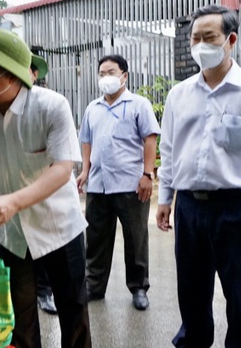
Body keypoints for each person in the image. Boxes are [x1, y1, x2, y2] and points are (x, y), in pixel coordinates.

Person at [0, 29, 92, 347]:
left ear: (10, 72)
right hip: (12, 238)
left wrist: (14, 202)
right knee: (17, 324)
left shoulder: (51, 106)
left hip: (60, 230)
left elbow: (63, 168)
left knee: (74, 318)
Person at [155, 5, 241, 348]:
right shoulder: (179, 94)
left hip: (238, 208)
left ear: (230, 40)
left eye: (209, 37)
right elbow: (169, 151)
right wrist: (165, 198)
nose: (201, 44)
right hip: (189, 207)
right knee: (192, 293)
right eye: (195, 38)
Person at [76, 54, 160, 311]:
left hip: (130, 184)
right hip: (99, 184)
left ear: (124, 75)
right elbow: (87, 140)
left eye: (110, 72)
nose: (105, 78)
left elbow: (150, 139)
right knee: (96, 238)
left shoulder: (138, 104)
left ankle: (138, 287)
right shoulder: (93, 107)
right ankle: (94, 285)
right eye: (101, 73)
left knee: (136, 238)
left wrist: (147, 175)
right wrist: (85, 170)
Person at [30, 54, 57, 315]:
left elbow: (60, 164)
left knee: (48, 248)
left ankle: (46, 291)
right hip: (16, 197)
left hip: (49, 193)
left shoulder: (51, 107)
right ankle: (39, 292)